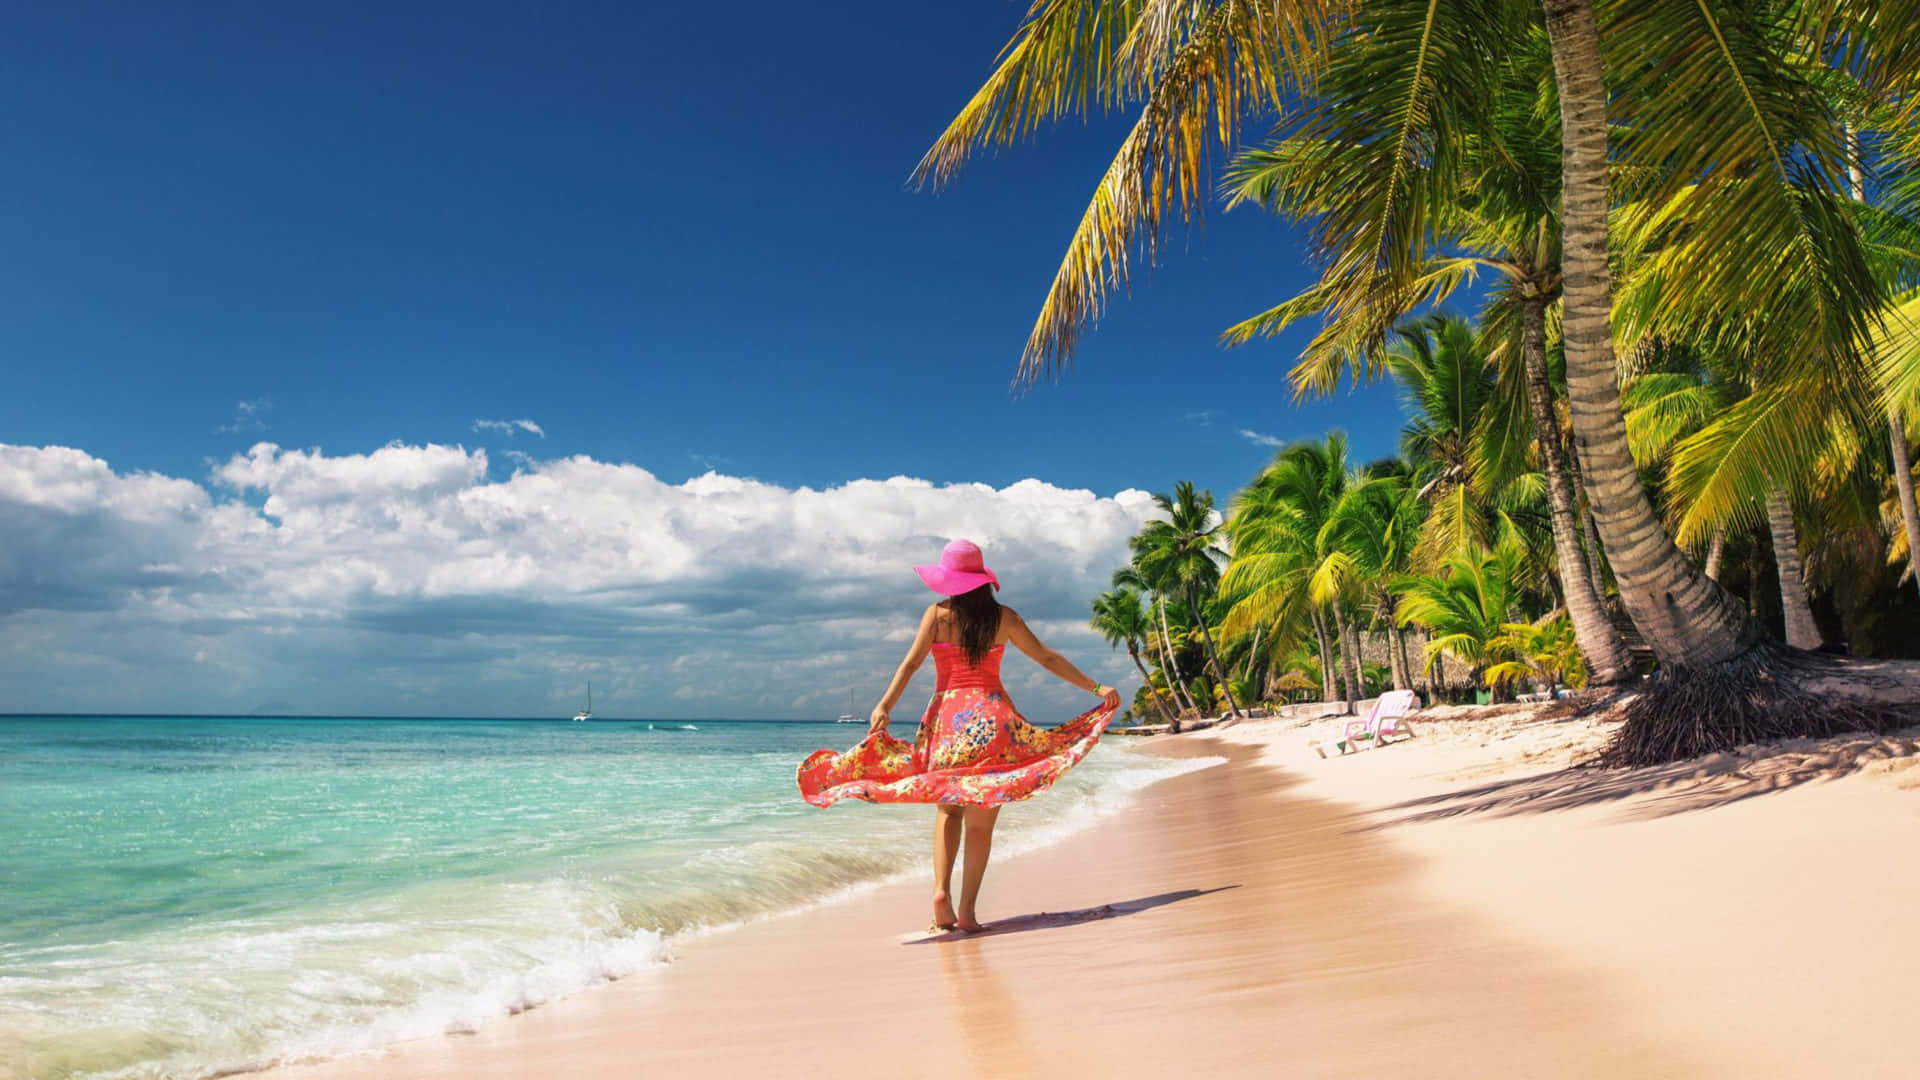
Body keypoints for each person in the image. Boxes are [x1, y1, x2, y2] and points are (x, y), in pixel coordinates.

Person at [797, 539, 1123, 933]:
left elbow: (912, 663)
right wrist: (1096, 688)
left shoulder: (937, 615)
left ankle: (940, 893)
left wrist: (884, 706)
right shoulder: (1004, 617)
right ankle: (967, 911)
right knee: (981, 824)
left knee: (948, 808)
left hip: (948, 721)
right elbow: (1047, 657)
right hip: (993, 720)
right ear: (983, 579)